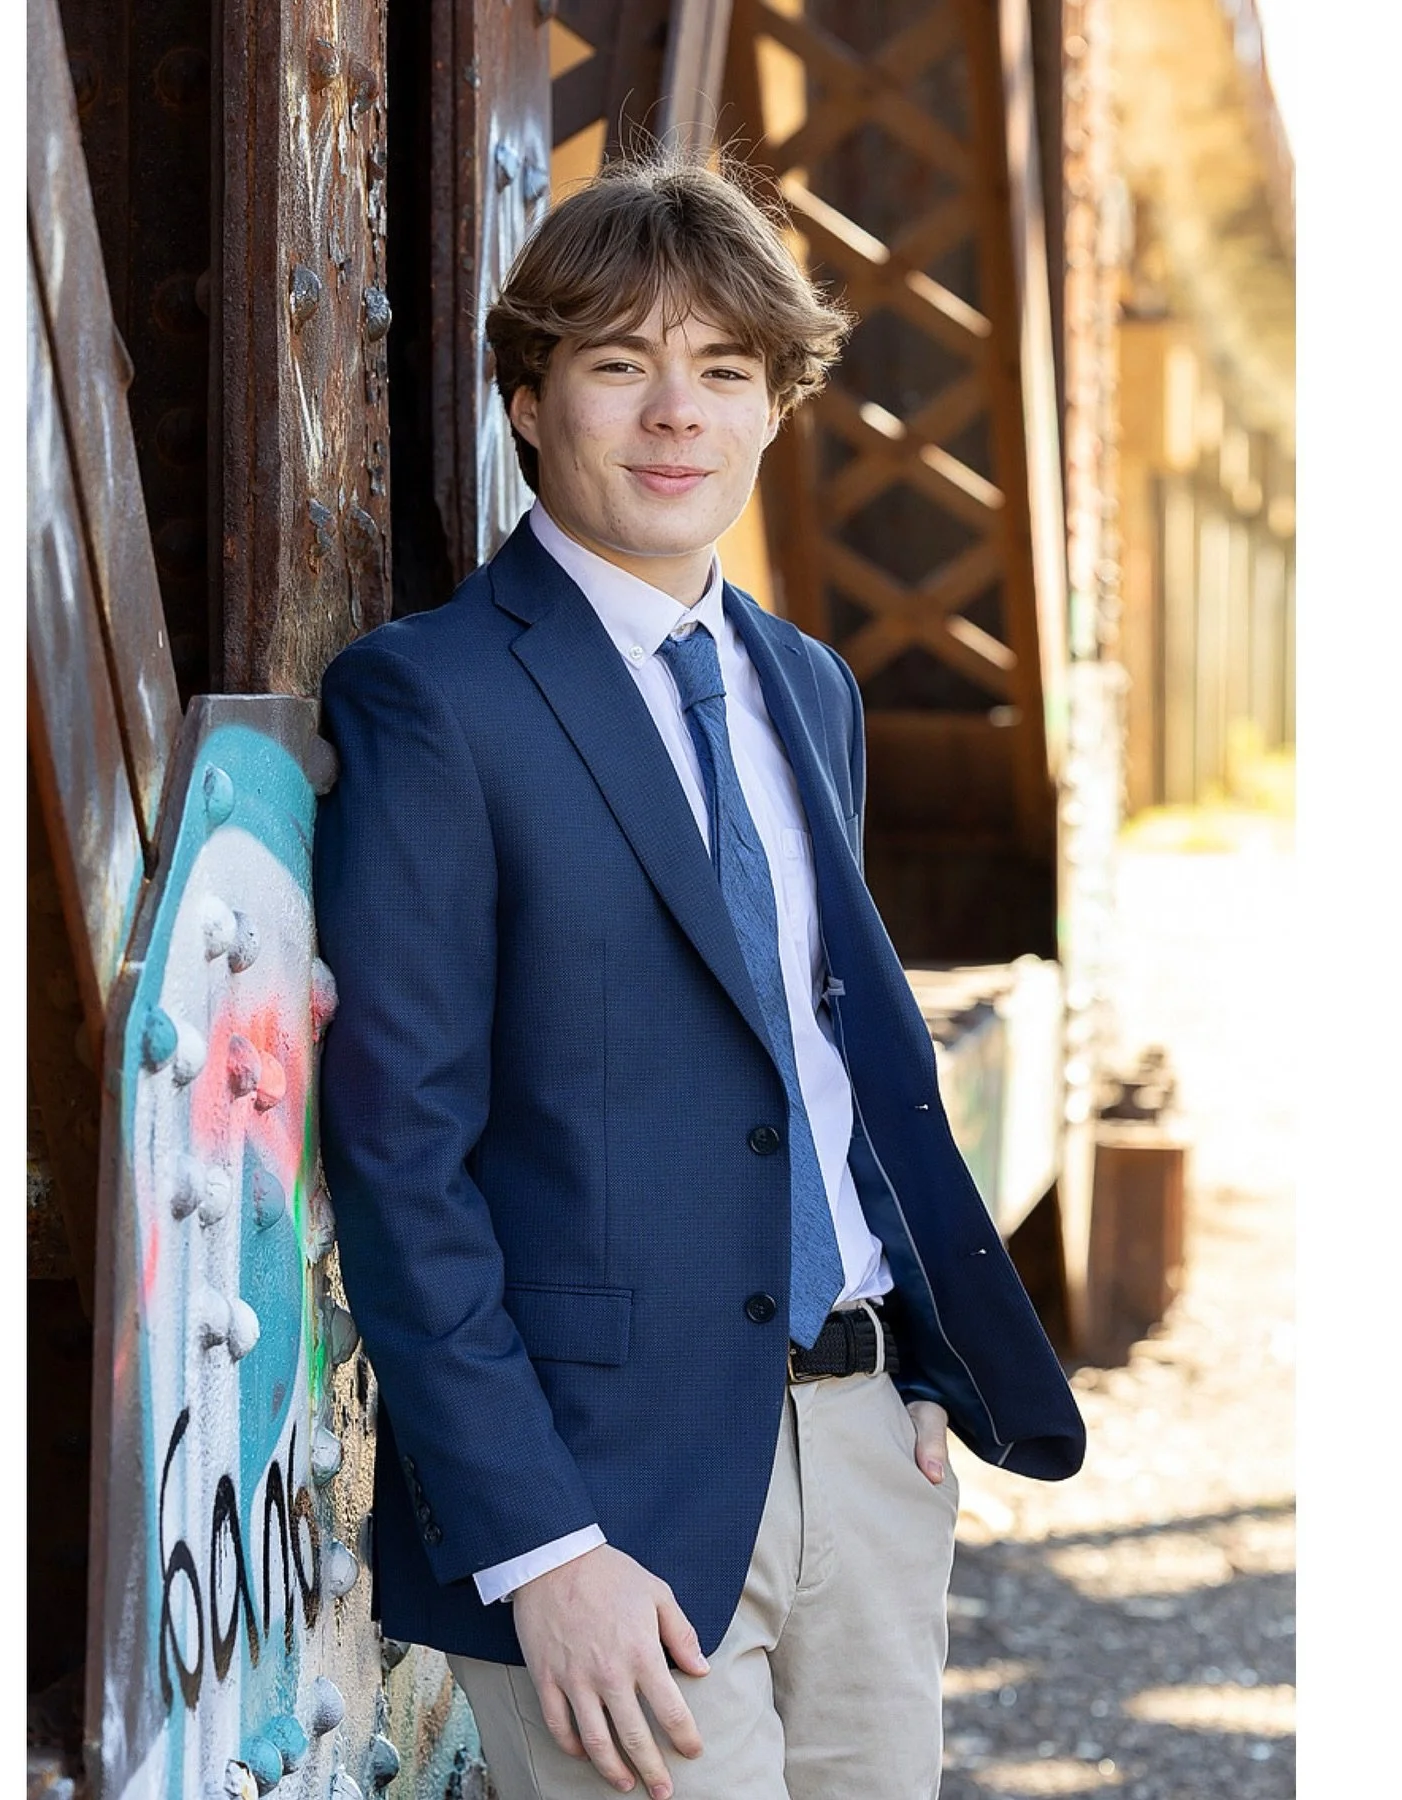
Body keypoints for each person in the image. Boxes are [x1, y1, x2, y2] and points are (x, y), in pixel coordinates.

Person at [313, 153, 1085, 1800]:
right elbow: (400, 1155)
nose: (677, 414)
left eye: (724, 371)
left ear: (772, 409)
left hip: (863, 1446)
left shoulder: (807, 686)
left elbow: (823, 1063)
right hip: (608, 1507)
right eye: (619, 365)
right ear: (530, 403)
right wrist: (535, 1548)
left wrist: (914, 1384)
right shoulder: (434, 701)